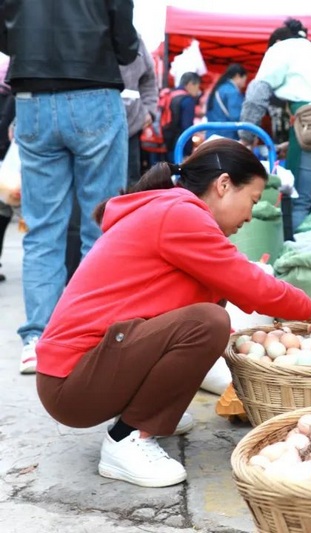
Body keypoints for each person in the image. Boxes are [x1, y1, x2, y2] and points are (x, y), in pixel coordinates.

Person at [35, 138, 311, 488]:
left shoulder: (172, 210)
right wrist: (310, 308)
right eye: (252, 200)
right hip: (72, 385)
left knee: (211, 304)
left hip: (89, 370)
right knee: (208, 322)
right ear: (223, 185)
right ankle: (127, 437)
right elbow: (249, 284)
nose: (250, 215)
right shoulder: (179, 214)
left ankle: (148, 409)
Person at [1, 0, 139, 374]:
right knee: (101, 225)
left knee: (42, 227)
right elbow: (127, 45)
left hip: (31, 93)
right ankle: (90, 336)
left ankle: (37, 341)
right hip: (93, 89)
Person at [248, 18, 311, 231]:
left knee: (299, 201)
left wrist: (245, 136)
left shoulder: (280, 49)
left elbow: (257, 93)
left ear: (276, 41)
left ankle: (300, 259)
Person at [121, 35, 159, 187]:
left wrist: (149, 110)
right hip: (94, 123)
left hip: (131, 126)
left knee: (130, 179)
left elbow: (149, 80)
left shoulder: (135, 40)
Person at [165, 72, 201, 163]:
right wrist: (189, 151)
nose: (198, 90)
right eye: (197, 86)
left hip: (166, 142)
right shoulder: (187, 100)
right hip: (180, 145)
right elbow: (187, 127)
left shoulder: (170, 94)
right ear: (190, 84)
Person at [204, 63, 248, 139]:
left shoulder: (218, 89)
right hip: (227, 136)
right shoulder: (232, 91)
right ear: (237, 76)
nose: (244, 84)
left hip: (211, 134)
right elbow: (236, 116)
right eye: (244, 79)